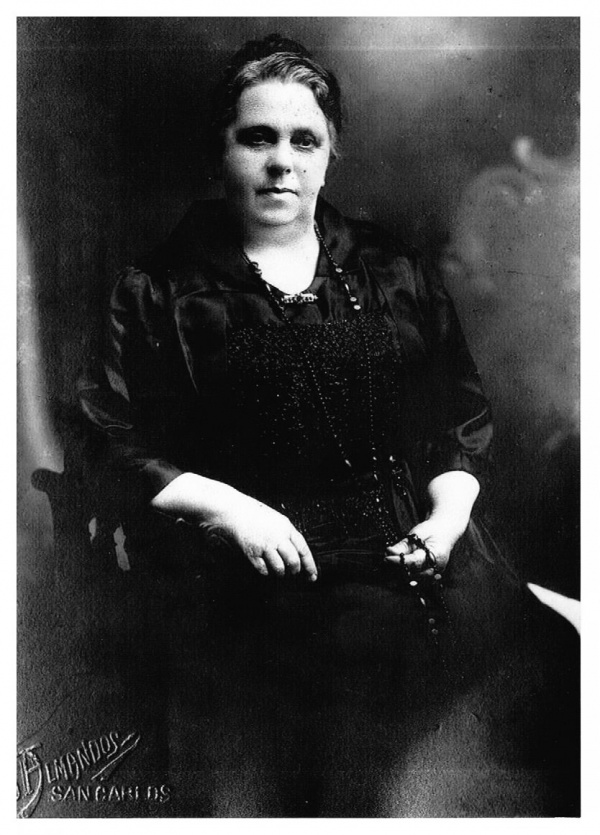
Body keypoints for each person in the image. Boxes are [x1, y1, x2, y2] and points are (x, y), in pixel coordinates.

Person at [79, 34, 579, 817]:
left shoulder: (389, 271)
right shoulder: (161, 291)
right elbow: (107, 438)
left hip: (437, 561)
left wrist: (448, 518)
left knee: (556, 684)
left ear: (330, 154)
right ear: (222, 151)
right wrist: (227, 506)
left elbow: (459, 414)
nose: (282, 162)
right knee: (358, 762)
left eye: (304, 141)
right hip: (272, 592)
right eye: (258, 138)